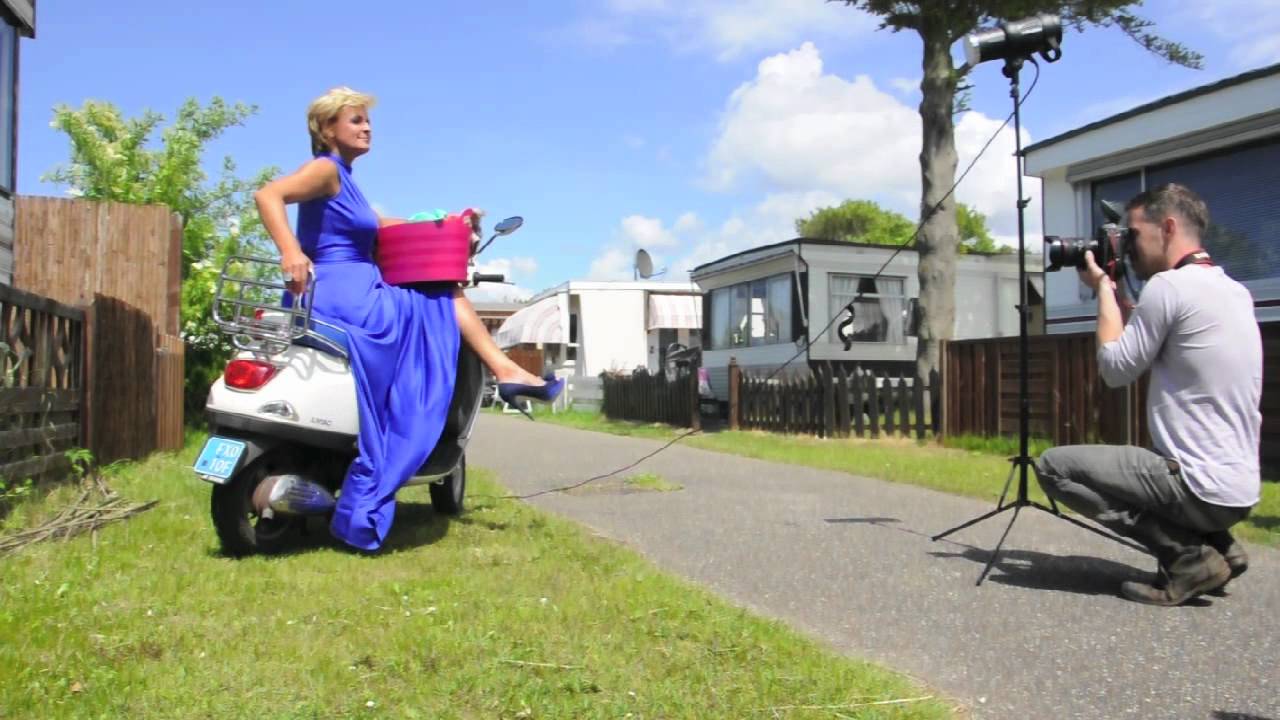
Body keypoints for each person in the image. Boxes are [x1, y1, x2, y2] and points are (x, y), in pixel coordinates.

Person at [254, 86, 562, 550]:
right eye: (356, 120)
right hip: (342, 295)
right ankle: (504, 370)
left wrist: (451, 223)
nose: (367, 127)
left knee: (436, 291)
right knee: (442, 290)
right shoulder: (324, 170)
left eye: (367, 120)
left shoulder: (345, 180)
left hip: (348, 291)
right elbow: (268, 195)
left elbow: (385, 226)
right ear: (327, 129)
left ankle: (504, 372)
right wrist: (290, 251)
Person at [1033, 183, 1262, 606]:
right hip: (1240, 490)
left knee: (1054, 467)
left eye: (1133, 234)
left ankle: (1189, 558)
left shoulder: (1168, 287)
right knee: (1150, 457)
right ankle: (1222, 545)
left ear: (1168, 228)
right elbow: (1149, 331)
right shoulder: (1233, 291)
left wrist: (1103, 289)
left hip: (1196, 486)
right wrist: (1116, 286)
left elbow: (1115, 370)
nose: (1127, 246)